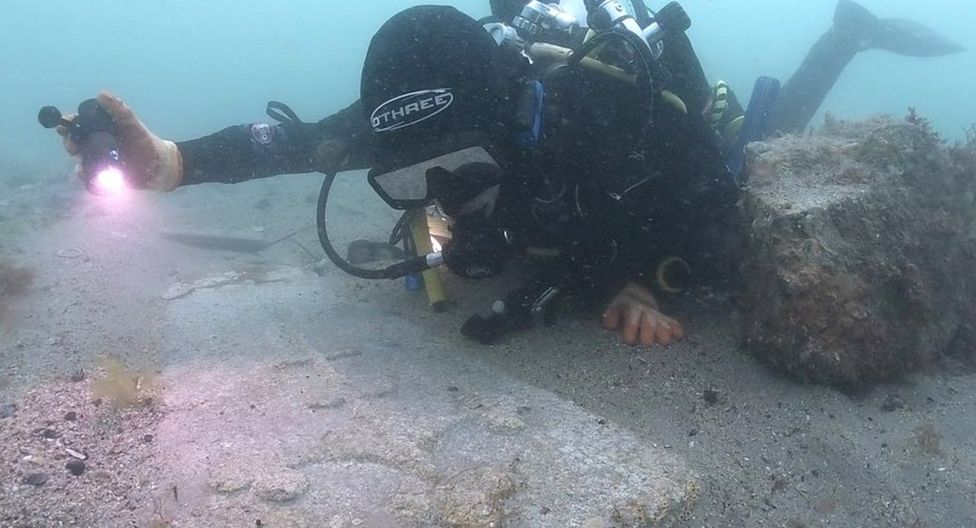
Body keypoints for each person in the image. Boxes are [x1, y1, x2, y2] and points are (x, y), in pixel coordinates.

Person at [57, 1, 963, 348]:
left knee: (760, 146)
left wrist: (642, 276)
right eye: (412, 179)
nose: (444, 199)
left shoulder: (593, 112)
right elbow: (283, 145)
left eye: (461, 171)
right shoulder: (404, 124)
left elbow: (704, 201)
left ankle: (844, 34)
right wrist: (168, 163)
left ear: (519, 123)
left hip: (676, 149)